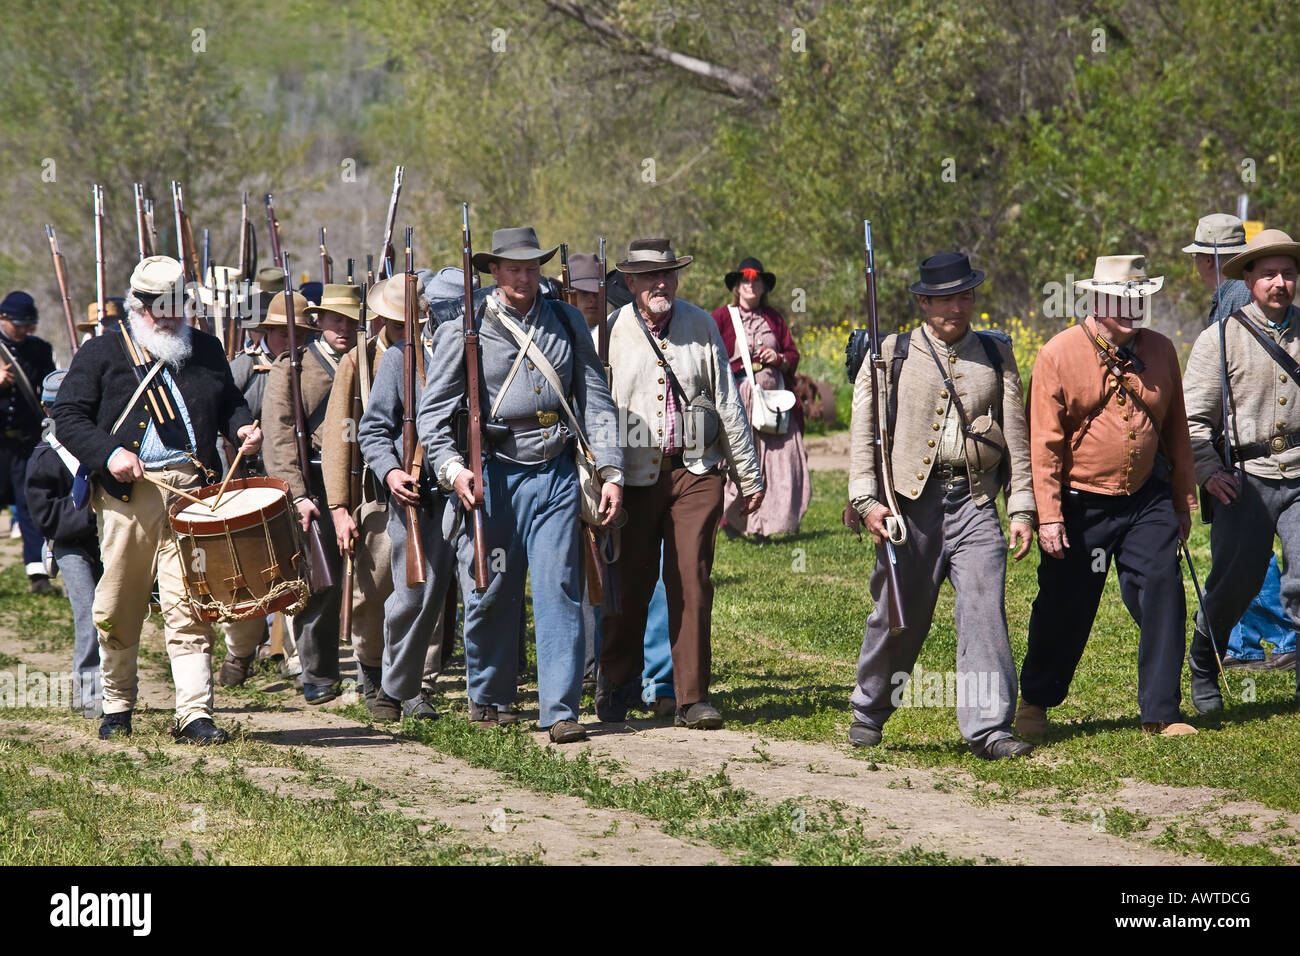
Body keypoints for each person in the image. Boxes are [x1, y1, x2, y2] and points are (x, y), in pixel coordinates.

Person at [419, 226, 623, 744]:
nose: (524, 278)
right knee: (492, 591)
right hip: (492, 475)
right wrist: (452, 470)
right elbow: (433, 416)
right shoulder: (465, 327)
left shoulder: (565, 319)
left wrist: (610, 470)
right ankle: (488, 696)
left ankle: (559, 710)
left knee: (559, 588)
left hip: (555, 469)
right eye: (513, 269)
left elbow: (595, 399)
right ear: (493, 271)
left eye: (532, 268)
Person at [51, 256, 262, 744]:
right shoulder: (102, 353)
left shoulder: (206, 349)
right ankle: (118, 704)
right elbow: (69, 416)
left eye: (176, 306)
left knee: (189, 601)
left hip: (192, 494)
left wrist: (242, 428)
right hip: (129, 497)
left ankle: (194, 713)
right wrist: (110, 454)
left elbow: (230, 402)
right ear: (137, 306)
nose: (168, 317)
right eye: (158, 308)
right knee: (121, 601)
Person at [847, 251, 1035, 757]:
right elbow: (865, 433)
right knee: (899, 615)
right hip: (910, 506)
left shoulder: (995, 353)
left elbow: (1016, 435)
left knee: (984, 612)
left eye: (965, 295)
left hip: (974, 502)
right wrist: (867, 501)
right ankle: (869, 707)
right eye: (946, 298)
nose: (957, 306)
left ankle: (990, 728)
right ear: (925, 302)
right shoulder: (892, 352)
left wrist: (1021, 507)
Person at [1017, 255, 1198, 738]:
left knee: (1163, 589)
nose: (1130, 306)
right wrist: (1049, 517)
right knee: (1065, 604)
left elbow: (1177, 429)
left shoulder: (1161, 350)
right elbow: (1045, 444)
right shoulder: (1057, 353)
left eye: (1138, 297)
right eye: (1119, 297)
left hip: (1146, 499)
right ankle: (1035, 701)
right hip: (1080, 504)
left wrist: (1182, 501)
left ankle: (1161, 712)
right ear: (1095, 299)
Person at [598, 237, 763, 729]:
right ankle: (618, 684)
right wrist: (602, 477)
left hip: (696, 472)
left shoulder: (701, 324)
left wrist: (747, 474)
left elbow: (727, 401)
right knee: (629, 584)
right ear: (629, 283)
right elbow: (598, 411)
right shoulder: (610, 332)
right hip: (632, 478)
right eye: (649, 277)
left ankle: (691, 698)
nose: (660, 284)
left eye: (667, 274)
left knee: (691, 579)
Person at [1182, 229, 1300, 712]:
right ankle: (1204, 659)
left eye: (1288, 273)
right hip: (1243, 480)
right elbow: (1192, 421)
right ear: (1248, 278)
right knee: (1237, 582)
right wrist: (1209, 472)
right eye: (1268, 273)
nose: (1279, 283)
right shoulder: (1220, 340)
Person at [352, 270, 455, 720]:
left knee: (479, 595)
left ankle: (485, 698)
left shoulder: (480, 354)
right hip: (420, 495)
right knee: (413, 596)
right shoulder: (399, 360)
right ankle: (396, 687)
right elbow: (372, 429)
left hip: (471, 491)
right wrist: (392, 472)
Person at [261, 287, 353, 704]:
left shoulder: (367, 362)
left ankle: (379, 672)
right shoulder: (291, 367)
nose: (344, 328)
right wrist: (297, 494)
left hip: (361, 479)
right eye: (336, 320)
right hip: (313, 485)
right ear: (319, 322)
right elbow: (279, 437)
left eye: (351, 320)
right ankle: (319, 672)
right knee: (320, 581)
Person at [711, 257, 810, 539]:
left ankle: (776, 524)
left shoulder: (774, 318)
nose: (750, 284)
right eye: (745, 280)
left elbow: (793, 355)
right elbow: (709, 355)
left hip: (773, 402)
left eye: (756, 280)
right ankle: (736, 521)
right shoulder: (721, 317)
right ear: (737, 286)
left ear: (763, 286)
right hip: (738, 399)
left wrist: (777, 359)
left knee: (785, 458)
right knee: (740, 459)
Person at [27, 370, 101, 716]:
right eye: (59, 408)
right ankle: (89, 695)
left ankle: (115, 691)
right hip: (69, 545)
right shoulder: (44, 456)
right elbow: (44, 516)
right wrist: (90, 512)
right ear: (46, 410)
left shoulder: (99, 445)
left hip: (106, 541)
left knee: (113, 615)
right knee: (88, 615)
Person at [0, 290, 58, 592]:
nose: (24, 330)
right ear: (3, 318)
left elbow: (50, 391)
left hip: (25, 441)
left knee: (30, 503)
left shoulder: (39, 349)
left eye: (27, 324)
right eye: (18, 324)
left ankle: (38, 573)